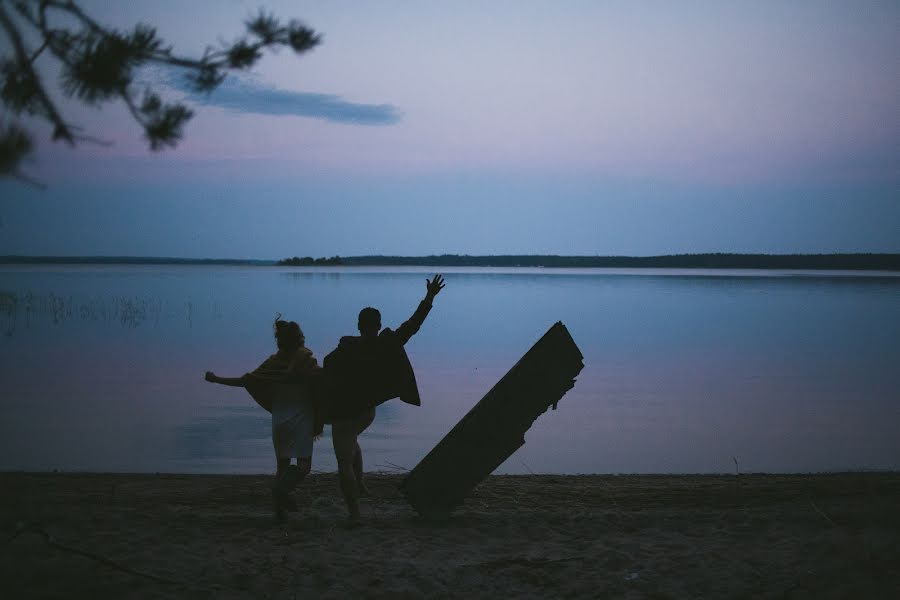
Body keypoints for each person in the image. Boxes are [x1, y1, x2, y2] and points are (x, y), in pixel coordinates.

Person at [324, 274, 446, 521]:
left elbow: (327, 366)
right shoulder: (387, 343)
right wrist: (430, 297)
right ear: (378, 326)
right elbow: (413, 325)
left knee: (342, 461)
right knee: (352, 442)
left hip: (345, 412)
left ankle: (354, 513)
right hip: (367, 412)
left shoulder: (346, 346)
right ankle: (361, 484)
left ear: (359, 325)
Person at [205, 317, 321, 521]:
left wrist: (216, 379)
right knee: (304, 466)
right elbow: (321, 386)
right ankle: (281, 491)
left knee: (282, 466)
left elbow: (247, 381)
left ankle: (279, 512)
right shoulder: (307, 360)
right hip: (302, 418)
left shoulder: (273, 363)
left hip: (280, 420)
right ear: (300, 338)